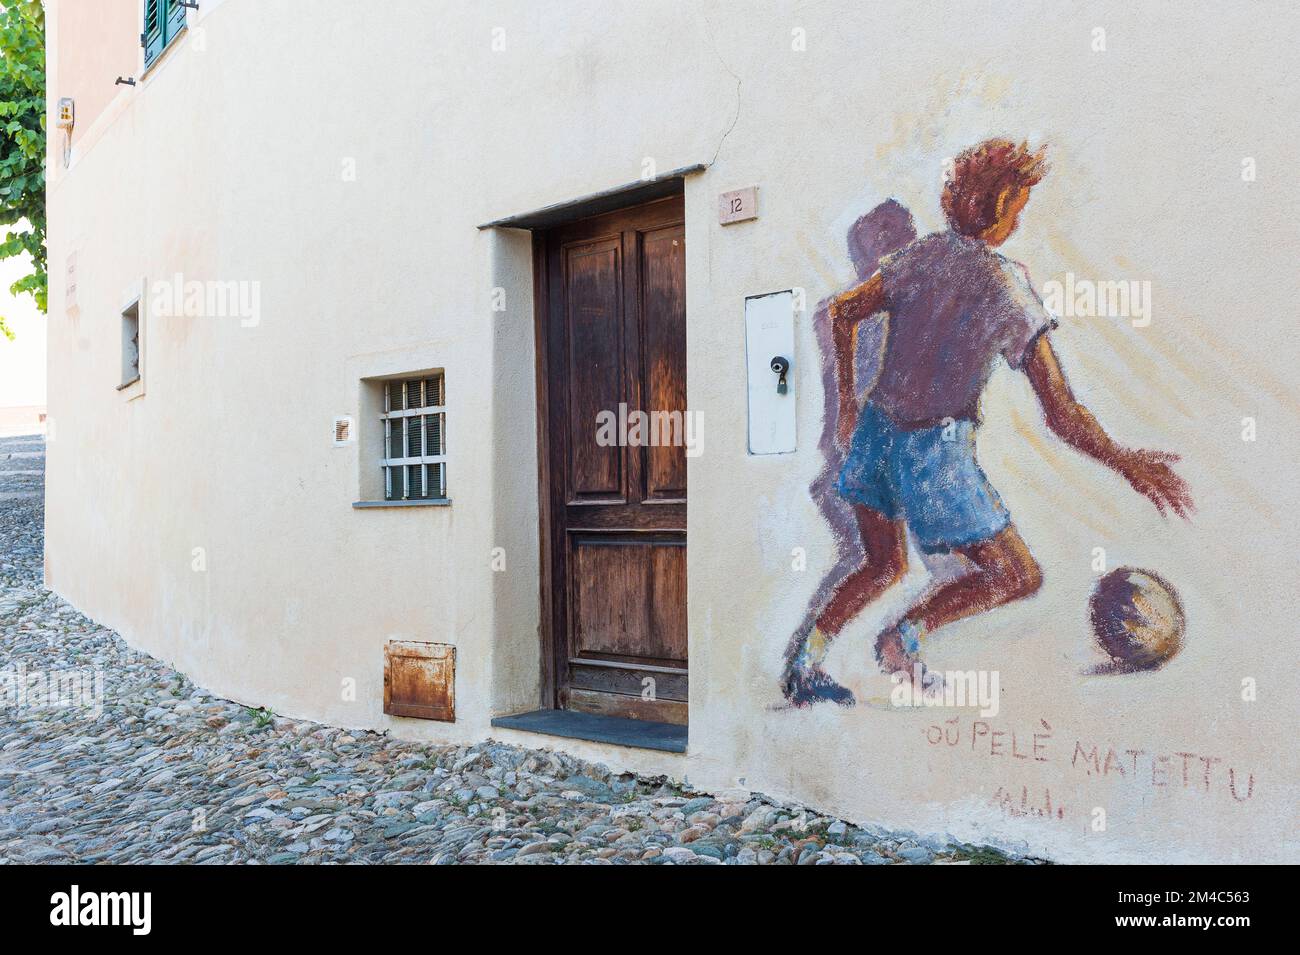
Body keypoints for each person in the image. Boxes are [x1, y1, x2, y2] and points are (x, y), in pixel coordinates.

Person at [782, 139, 1193, 708]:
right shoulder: (1006, 288)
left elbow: (842, 312)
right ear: (998, 208)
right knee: (1015, 575)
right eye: (1018, 207)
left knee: (881, 565)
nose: (1019, 219)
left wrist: (849, 408)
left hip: (877, 434)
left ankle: (805, 665)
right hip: (935, 455)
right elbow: (1062, 413)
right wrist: (1127, 461)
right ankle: (905, 637)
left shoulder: (919, 259)